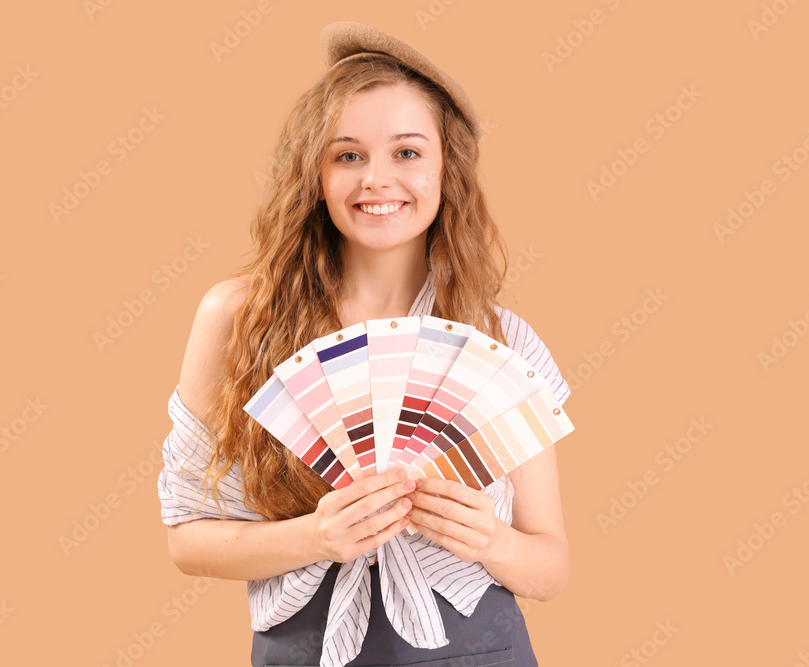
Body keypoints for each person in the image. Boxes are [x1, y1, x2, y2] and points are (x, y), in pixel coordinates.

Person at [157, 20, 572, 667]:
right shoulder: (237, 315)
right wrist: (318, 535)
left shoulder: (499, 339)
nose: (377, 178)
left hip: (480, 649)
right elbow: (187, 540)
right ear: (314, 171)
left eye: (407, 152)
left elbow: (550, 567)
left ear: (446, 168)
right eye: (348, 154)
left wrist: (488, 537)